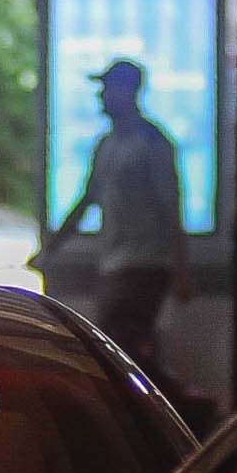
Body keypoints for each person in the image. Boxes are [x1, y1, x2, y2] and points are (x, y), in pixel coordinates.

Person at [47, 58, 184, 384]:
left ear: (127, 92)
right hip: (117, 265)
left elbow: (170, 206)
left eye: (107, 88)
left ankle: (175, 403)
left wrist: (181, 267)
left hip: (145, 265)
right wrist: (52, 247)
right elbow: (87, 199)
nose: (101, 96)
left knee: (117, 347)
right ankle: (172, 403)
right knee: (126, 348)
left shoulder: (151, 143)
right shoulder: (107, 144)